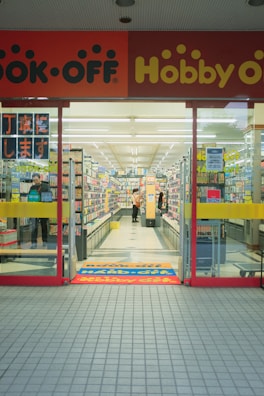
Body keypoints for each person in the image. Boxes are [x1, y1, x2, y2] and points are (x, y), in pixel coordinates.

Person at [28, 172, 50, 248]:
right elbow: (29, 197)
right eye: (34, 180)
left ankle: (45, 241)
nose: (35, 182)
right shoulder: (32, 187)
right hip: (34, 209)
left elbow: (49, 197)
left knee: (44, 225)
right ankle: (33, 243)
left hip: (43, 209)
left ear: (40, 178)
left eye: (36, 180)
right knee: (34, 226)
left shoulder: (45, 186)